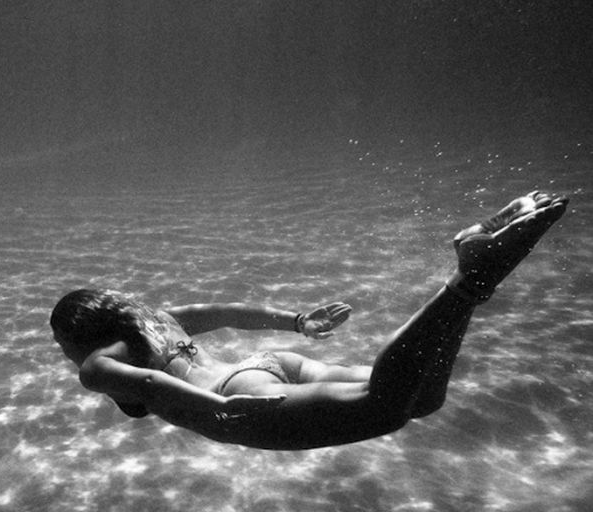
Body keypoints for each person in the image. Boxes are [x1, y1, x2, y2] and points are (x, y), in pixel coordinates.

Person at [51, 191, 568, 450]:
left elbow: (146, 381)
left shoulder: (96, 364)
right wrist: (297, 322)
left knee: (385, 408)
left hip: (239, 393)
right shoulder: (156, 320)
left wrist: (216, 406)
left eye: (61, 342)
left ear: (78, 334)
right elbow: (228, 310)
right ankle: (473, 275)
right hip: (269, 365)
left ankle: (468, 281)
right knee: (422, 398)